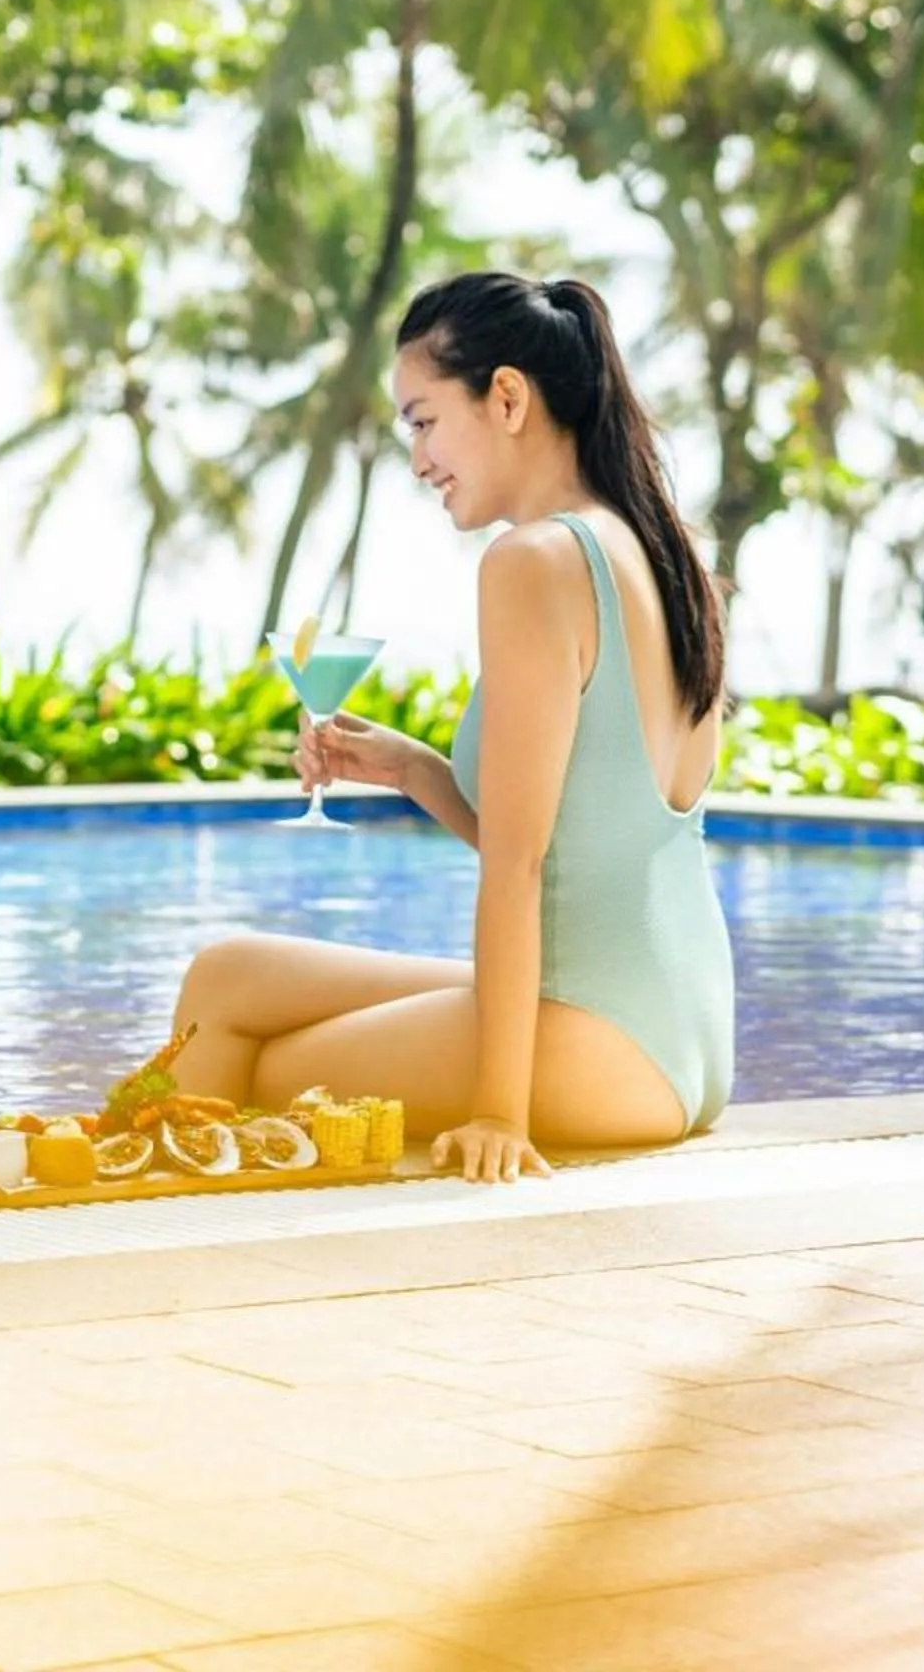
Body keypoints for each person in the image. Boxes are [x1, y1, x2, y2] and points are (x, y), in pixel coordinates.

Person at [170, 272, 734, 1184]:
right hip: (684, 1030)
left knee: (264, 1072)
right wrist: (414, 769)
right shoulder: (668, 558)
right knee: (226, 981)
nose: (420, 459)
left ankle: (143, 1244)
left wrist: (497, 1116)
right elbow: (574, 847)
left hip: (602, 1045)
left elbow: (515, 873)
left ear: (506, 396)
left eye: (425, 421)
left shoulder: (533, 561)